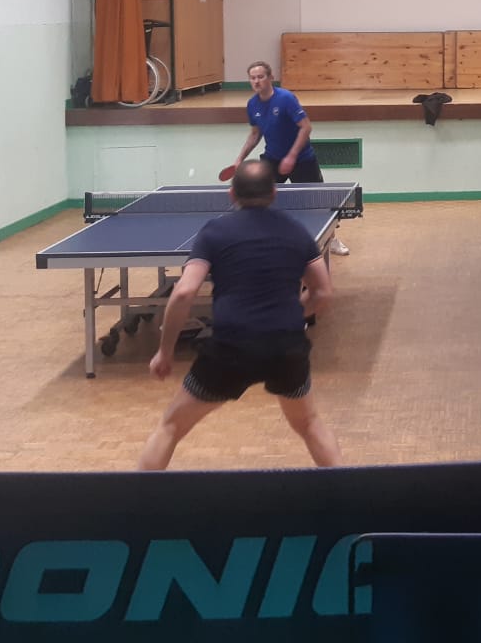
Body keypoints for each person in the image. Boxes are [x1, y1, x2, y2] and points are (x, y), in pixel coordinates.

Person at [138, 160, 343, 470]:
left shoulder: (214, 232)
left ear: (232, 194)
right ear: (274, 193)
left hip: (231, 349)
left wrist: (165, 352)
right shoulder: (297, 232)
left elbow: (183, 293)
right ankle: (346, 492)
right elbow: (323, 292)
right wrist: (287, 315)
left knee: (170, 426)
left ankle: (137, 497)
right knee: (310, 424)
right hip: (285, 347)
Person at [232, 60, 348, 255]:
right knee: (259, 198)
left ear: (270, 78)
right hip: (272, 159)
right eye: (253, 78)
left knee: (317, 202)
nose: (257, 81)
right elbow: (255, 134)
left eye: (261, 77)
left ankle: (331, 239)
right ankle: (260, 238)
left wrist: (291, 156)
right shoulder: (252, 104)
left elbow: (306, 127)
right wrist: (239, 159)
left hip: (302, 159)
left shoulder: (286, 98)